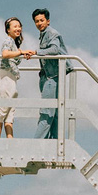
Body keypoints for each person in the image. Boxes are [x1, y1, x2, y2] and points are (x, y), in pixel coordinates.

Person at [32, 8, 71, 139]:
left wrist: (37, 52)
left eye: (42, 20)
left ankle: (35, 146)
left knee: (47, 112)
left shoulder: (52, 33)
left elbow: (55, 49)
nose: (39, 23)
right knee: (53, 113)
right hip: (47, 76)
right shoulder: (43, 34)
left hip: (52, 77)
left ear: (48, 21)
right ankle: (54, 144)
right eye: (36, 21)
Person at [0, 17, 34, 138]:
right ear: (8, 30)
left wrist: (22, 54)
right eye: (15, 26)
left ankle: (10, 141)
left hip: (11, 78)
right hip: (5, 77)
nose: (18, 28)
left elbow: (12, 56)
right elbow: (5, 54)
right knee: (2, 111)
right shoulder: (8, 41)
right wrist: (21, 52)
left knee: (10, 113)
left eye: (19, 26)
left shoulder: (14, 43)